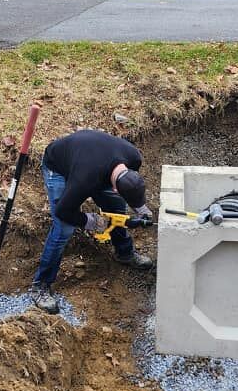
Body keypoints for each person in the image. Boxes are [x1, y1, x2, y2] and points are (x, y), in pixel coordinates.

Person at [31, 129, 154, 314]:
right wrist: (94, 222)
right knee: (64, 228)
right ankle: (40, 285)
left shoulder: (133, 157)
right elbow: (64, 212)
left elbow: (131, 187)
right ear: (115, 187)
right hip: (58, 165)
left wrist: (140, 208)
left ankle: (125, 253)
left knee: (116, 207)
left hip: (91, 160)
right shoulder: (84, 179)